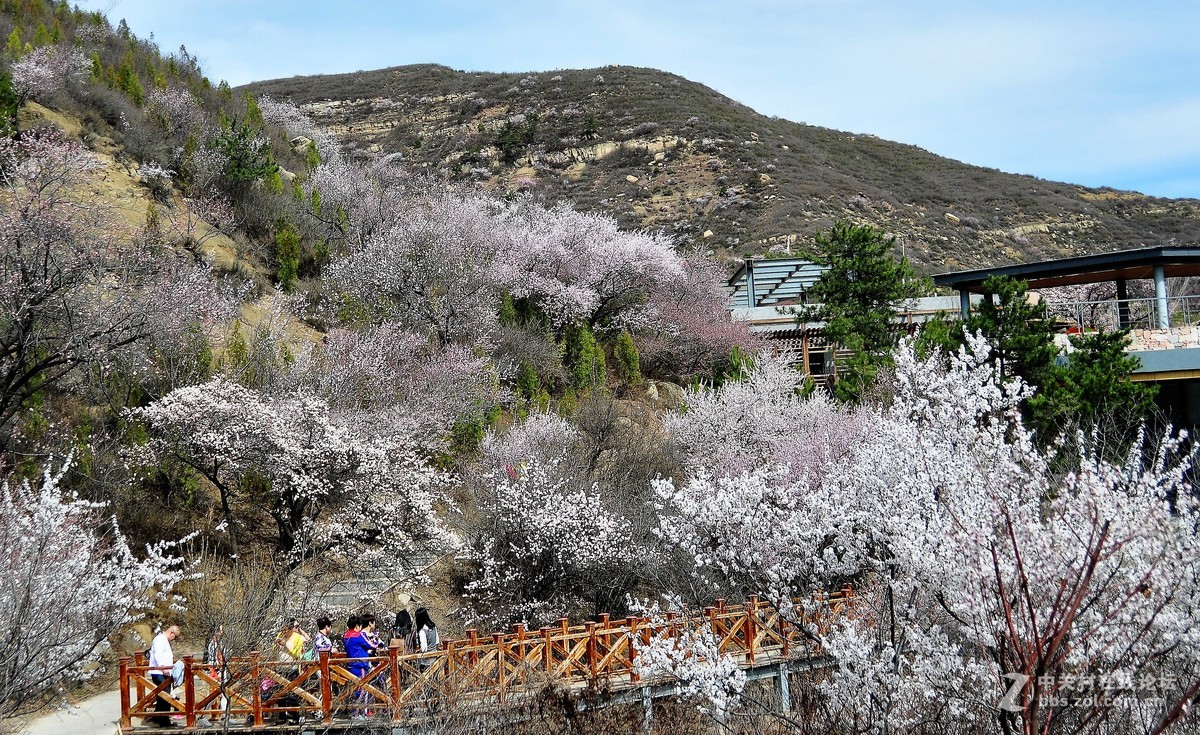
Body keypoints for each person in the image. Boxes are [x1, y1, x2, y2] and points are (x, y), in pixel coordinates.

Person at [147, 624, 180, 726]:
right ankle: (163, 721)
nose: (173, 639)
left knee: (162, 696)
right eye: (174, 637)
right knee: (165, 696)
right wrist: (163, 666)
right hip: (159, 672)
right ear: (171, 633)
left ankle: (159, 718)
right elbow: (158, 654)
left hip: (163, 672)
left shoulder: (163, 640)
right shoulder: (160, 640)